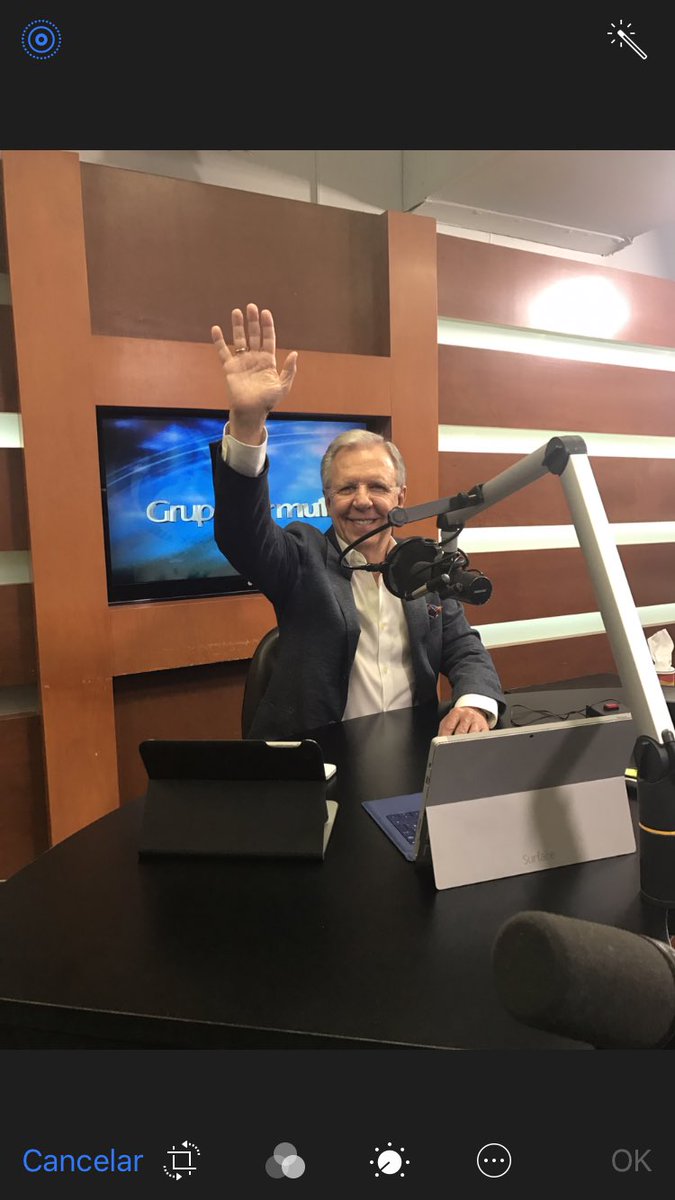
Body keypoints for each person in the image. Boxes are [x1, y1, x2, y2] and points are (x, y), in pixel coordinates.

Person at [210, 302, 505, 739]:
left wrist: (474, 703)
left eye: (377, 487)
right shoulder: (301, 558)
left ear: (400, 496)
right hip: (323, 761)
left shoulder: (425, 566)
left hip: (411, 753)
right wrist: (248, 422)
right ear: (328, 499)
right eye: (347, 488)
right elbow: (242, 535)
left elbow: (463, 646)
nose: (362, 501)